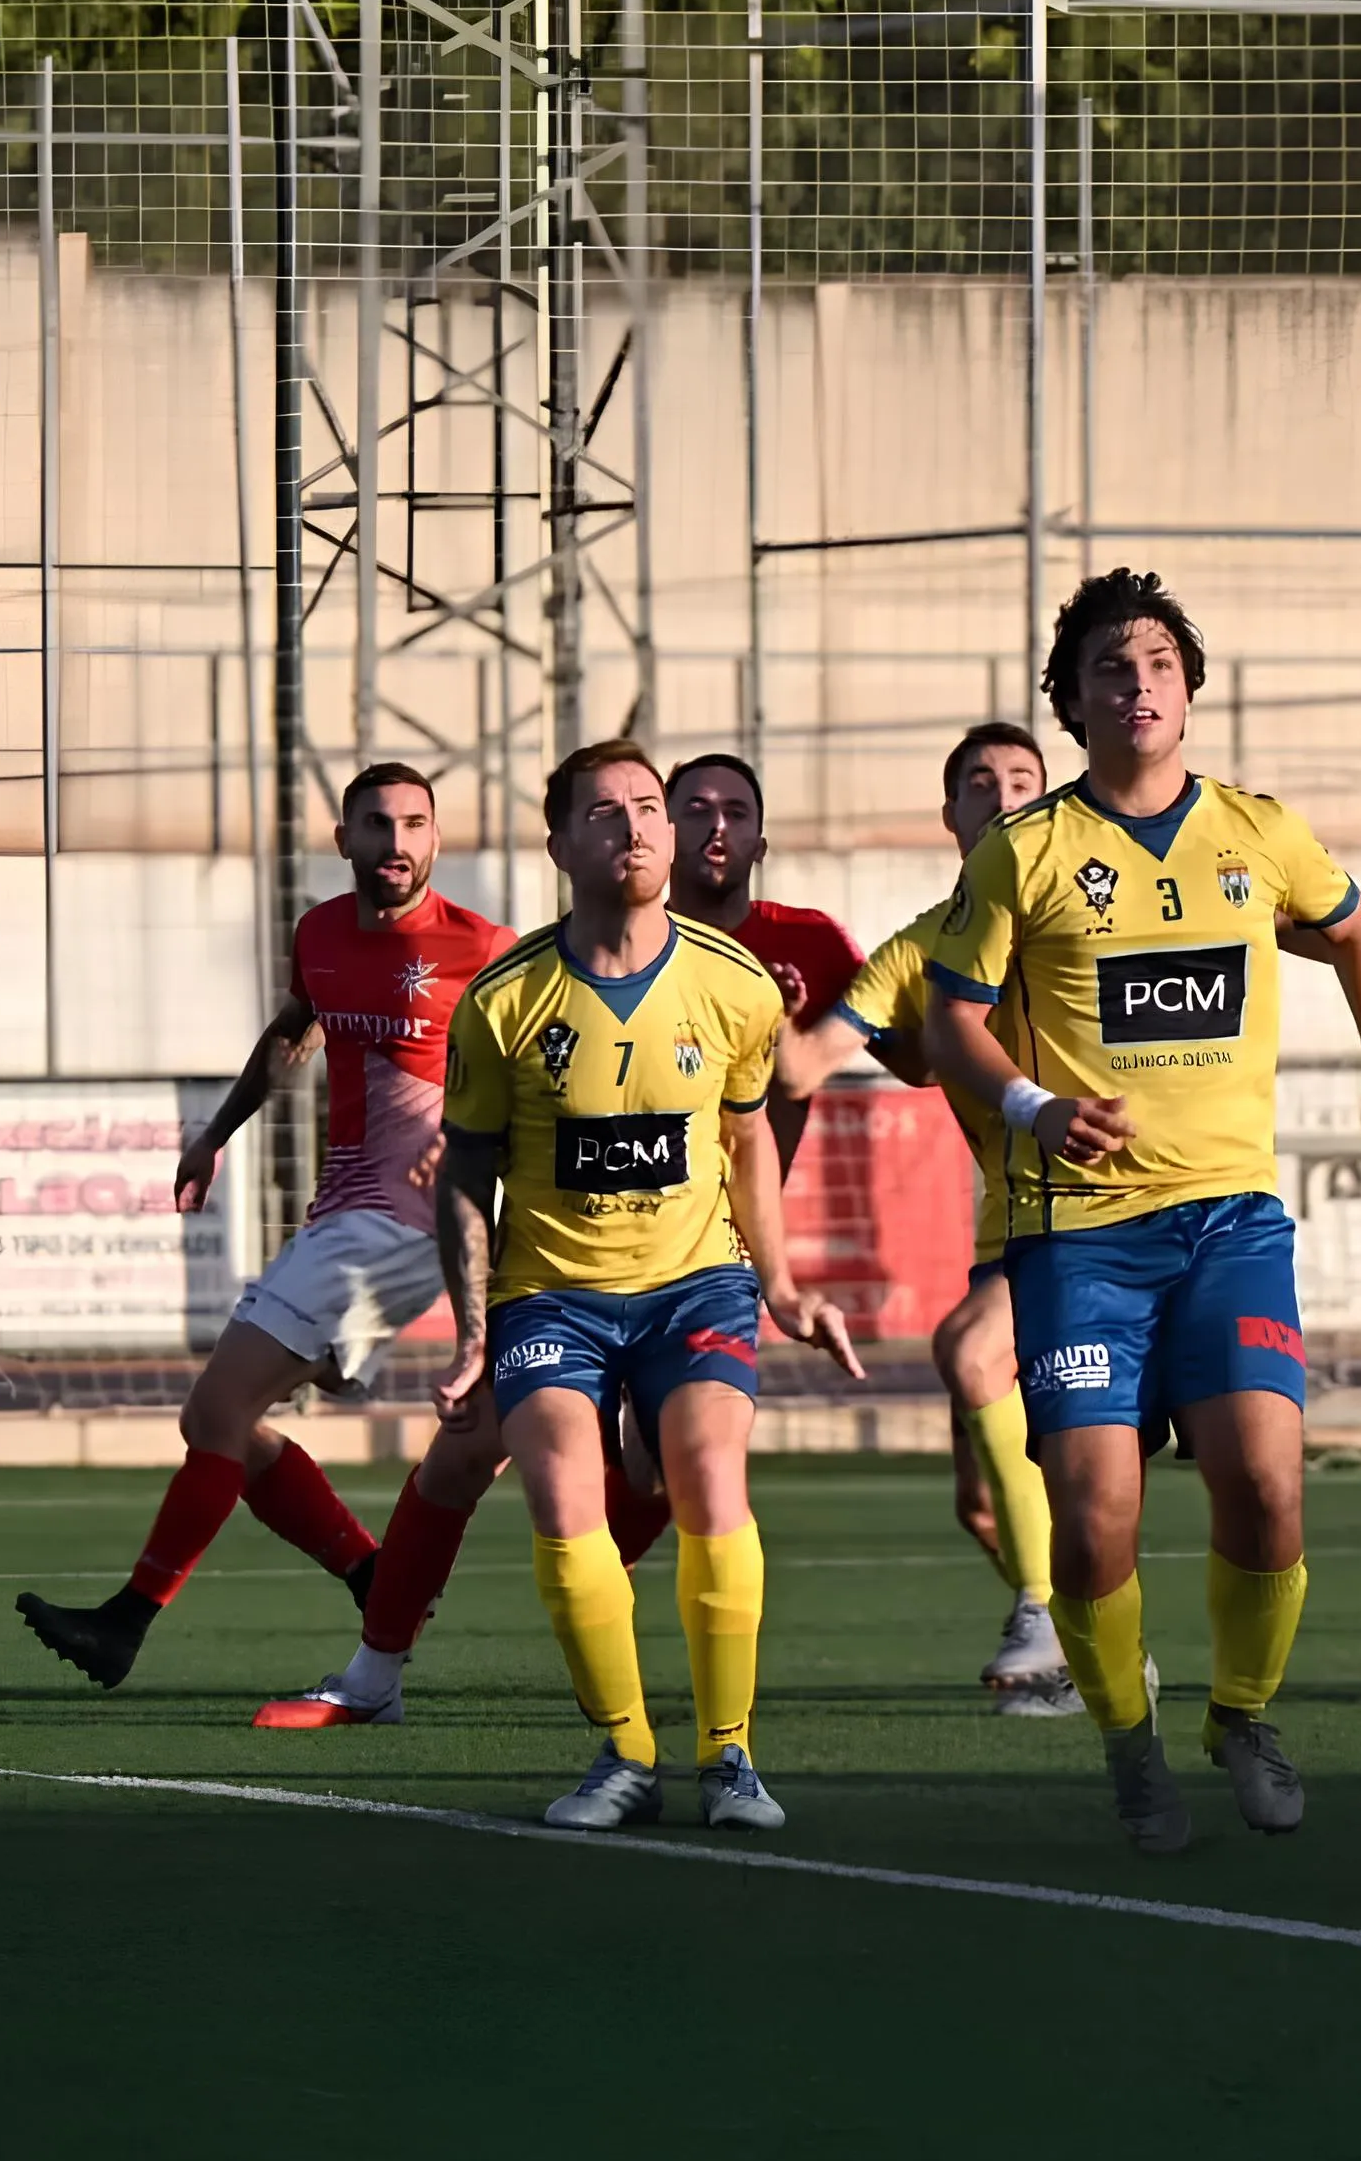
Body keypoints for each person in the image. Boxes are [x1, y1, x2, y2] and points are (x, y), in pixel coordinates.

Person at [922, 569, 1361, 1853]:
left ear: (1191, 690)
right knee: (1097, 1511)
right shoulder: (1026, 851)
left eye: (1160, 662)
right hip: (1080, 1239)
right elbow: (952, 1020)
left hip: (1229, 1222)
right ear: (1075, 701)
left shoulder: (1259, 835)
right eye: (1113, 666)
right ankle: (1131, 1746)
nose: (1139, 683)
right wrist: (1037, 1110)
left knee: (1267, 1487)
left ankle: (1244, 1712)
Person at [434, 740, 861, 1832]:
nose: (633, 829)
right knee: (565, 1497)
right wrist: (473, 1330)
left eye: (647, 810)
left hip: (695, 1285)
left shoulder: (734, 984)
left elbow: (750, 1138)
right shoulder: (504, 1001)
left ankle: (730, 1758)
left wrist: (781, 1282)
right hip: (551, 1295)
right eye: (605, 814)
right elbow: (467, 1173)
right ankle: (625, 1753)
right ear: (560, 844)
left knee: (710, 1474)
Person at [16, 764, 513, 1695]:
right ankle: (375, 1578)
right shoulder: (320, 932)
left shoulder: (483, 949)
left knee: (217, 1413)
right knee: (219, 1423)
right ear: (345, 840)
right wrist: (215, 1133)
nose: (396, 843)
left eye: (414, 825)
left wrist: (475, 1143)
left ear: (436, 841)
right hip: (347, 1210)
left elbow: (539, 1074)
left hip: (405, 1222)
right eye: (377, 825)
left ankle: (127, 1623)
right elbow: (295, 1029)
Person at [773, 718, 1076, 1708]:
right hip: (1013, 1233)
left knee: (971, 1351)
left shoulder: (1089, 913)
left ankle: (1048, 1611)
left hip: (1115, 1214)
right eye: (978, 783)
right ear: (950, 815)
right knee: (985, 1508)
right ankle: (1091, 1646)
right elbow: (810, 1062)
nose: (1002, 795)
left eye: (1021, 777)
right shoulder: (919, 950)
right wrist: (754, 1014)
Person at [665, 751, 862, 1182]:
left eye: (736, 813)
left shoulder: (813, 939)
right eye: (698, 810)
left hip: (757, 1228)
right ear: (663, 834)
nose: (718, 825)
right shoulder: (630, 949)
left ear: (760, 847)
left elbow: (912, 1058)